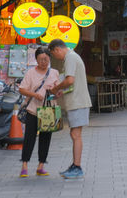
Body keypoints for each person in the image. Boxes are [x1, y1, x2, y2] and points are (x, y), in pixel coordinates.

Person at [49, 39, 92, 179]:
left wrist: (56, 88)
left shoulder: (70, 58)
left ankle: (77, 166)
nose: (56, 57)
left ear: (57, 49)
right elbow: (72, 84)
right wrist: (63, 91)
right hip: (77, 101)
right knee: (75, 134)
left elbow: (69, 80)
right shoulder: (72, 57)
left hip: (78, 102)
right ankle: (75, 165)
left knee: (75, 135)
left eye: (54, 54)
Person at [18, 47, 59, 178]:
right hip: (33, 110)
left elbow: (58, 91)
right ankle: (24, 165)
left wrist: (56, 93)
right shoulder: (30, 73)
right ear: (36, 59)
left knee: (45, 138)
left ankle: (41, 165)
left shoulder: (54, 72)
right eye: (41, 59)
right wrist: (35, 95)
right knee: (29, 137)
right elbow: (22, 89)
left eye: (46, 59)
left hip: (48, 110)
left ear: (49, 59)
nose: (43, 62)